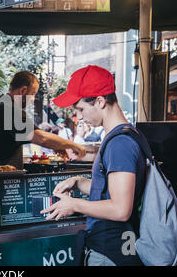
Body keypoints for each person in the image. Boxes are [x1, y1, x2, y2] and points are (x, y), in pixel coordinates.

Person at [41, 65, 146, 266]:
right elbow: (116, 192)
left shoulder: (119, 144)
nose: (78, 116)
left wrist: (74, 204)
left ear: (100, 101)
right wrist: (80, 182)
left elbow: (120, 209)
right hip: (111, 248)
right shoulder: (126, 135)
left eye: (80, 109)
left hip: (112, 252)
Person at [0, 70, 85, 168]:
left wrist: (56, 145)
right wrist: (74, 145)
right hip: (2, 179)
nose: (33, 99)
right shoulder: (8, 109)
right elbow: (42, 138)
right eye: (33, 94)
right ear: (23, 91)